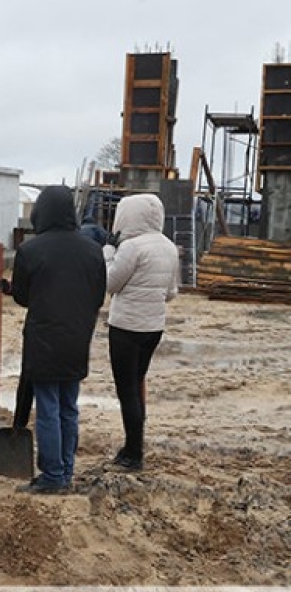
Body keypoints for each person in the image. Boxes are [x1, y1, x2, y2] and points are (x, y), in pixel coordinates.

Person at [0, 185, 106, 494]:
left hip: (44, 339)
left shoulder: (31, 250)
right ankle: (66, 471)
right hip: (77, 338)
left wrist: (11, 289)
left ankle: (53, 476)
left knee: (47, 407)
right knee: (68, 406)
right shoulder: (92, 250)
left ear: (42, 212)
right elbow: (97, 296)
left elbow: (23, 296)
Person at [103, 194, 180, 472]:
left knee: (127, 390)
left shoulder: (131, 247)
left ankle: (133, 452)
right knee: (137, 384)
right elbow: (171, 293)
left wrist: (108, 252)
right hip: (153, 328)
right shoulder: (169, 247)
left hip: (126, 327)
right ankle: (134, 444)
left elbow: (110, 283)